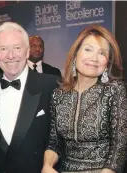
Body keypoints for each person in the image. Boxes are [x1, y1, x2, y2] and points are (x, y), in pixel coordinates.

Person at [42, 25, 127, 173]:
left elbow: (120, 146)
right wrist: (47, 166)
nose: (94, 58)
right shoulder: (58, 95)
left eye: (102, 53)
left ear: (107, 63)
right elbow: (53, 143)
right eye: (88, 49)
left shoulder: (114, 90)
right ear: (75, 55)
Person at [0, 22, 59, 173]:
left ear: (27, 52)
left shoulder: (51, 85)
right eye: (3, 49)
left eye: (17, 48)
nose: (11, 55)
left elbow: (60, 139)